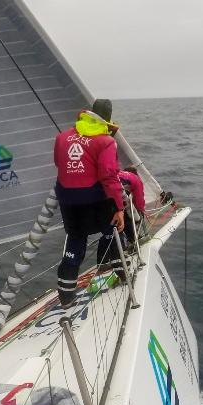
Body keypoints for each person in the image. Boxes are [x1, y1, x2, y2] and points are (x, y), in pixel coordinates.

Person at [54, 99, 126, 307]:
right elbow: (109, 176)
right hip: (95, 201)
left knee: (75, 241)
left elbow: (59, 164)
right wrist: (119, 208)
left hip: (68, 202)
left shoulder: (62, 137)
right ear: (108, 117)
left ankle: (66, 298)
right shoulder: (106, 141)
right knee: (113, 232)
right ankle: (122, 274)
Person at [118, 166, 145, 243]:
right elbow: (139, 198)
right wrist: (141, 210)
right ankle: (133, 240)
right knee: (128, 216)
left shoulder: (120, 174)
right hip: (116, 196)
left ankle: (124, 239)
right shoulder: (136, 179)